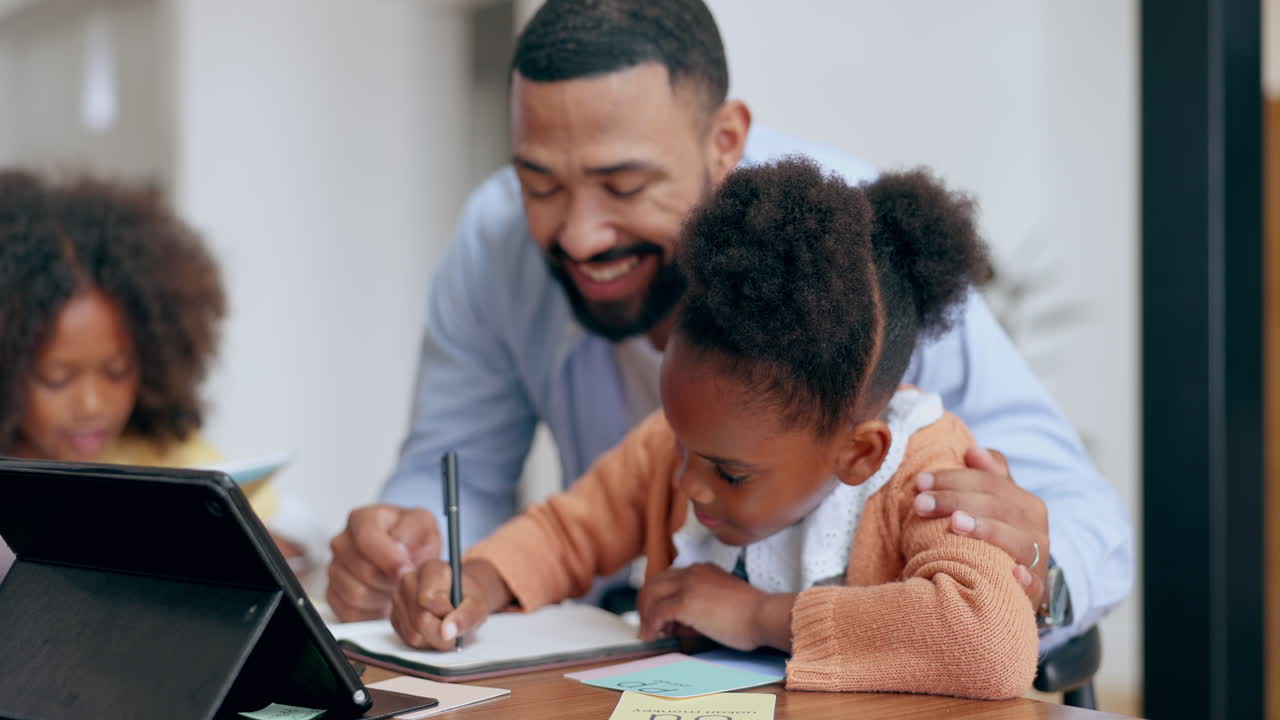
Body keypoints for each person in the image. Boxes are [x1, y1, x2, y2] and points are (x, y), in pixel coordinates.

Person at [327, 0, 1131, 652]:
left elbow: (1077, 526)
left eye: (624, 183)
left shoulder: (855, 271)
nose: (578, 234)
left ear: (726, 144)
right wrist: (422, 555)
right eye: (538, 182)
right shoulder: (497, 242)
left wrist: (1039, 573)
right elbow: (520, 500)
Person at [389, 159, 1037, 698]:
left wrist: (757, 616)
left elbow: (987, 640)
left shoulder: (926, 471)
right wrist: (478, 580)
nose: (689, 485)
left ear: (859, 454)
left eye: (729, 473)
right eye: (682, 446)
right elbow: (566, 531)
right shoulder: (686, 445)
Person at [0, 170, 298, 569]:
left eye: (117, 371)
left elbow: (286, 533)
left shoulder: (167, 456)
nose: (92, 404)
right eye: (57, 378)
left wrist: (270, 545)